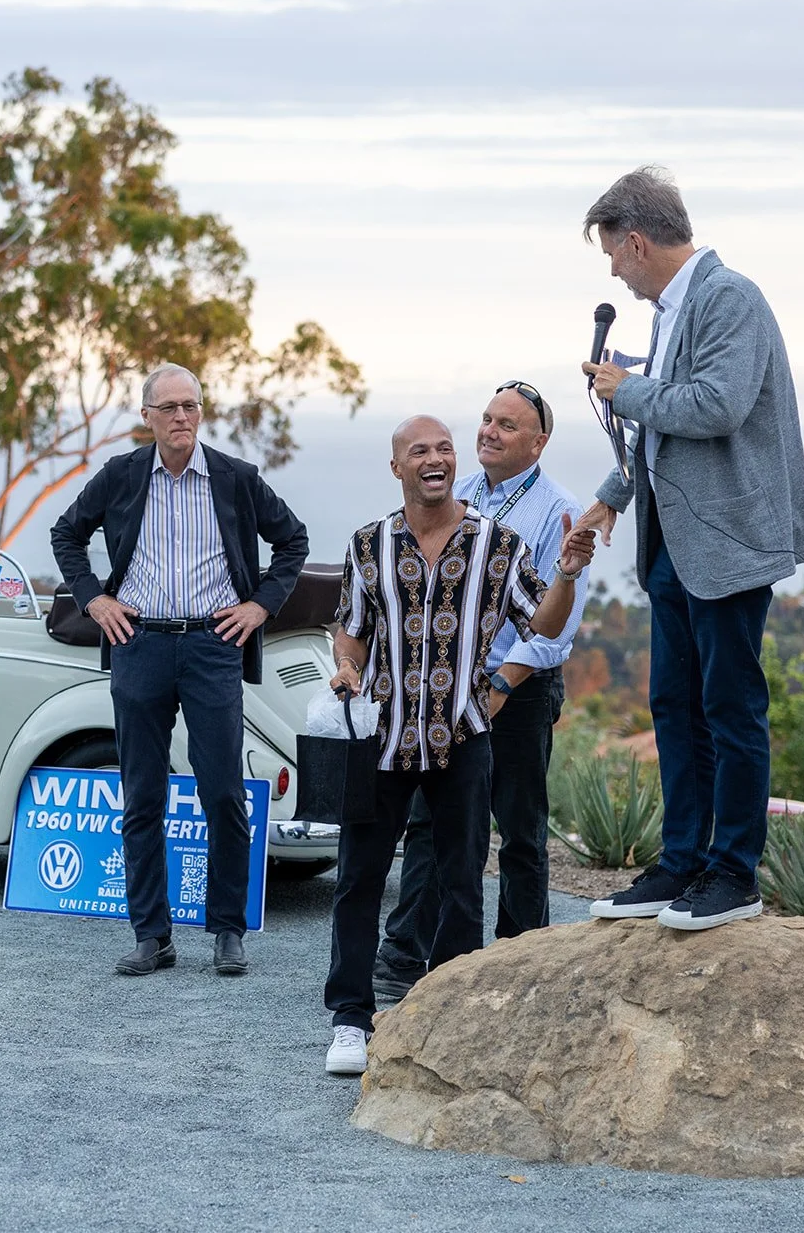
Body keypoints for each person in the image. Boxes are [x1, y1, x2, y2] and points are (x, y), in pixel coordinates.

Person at [576, 166, 804, 932]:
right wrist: (612, 497)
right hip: (672, 542)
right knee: (674, 704)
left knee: (730, 706)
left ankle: (734, 873)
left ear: (639, 241)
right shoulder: (676, 310)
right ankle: (681, 861)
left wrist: (625, 388)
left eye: (613, 253)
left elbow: (715, 406)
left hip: (726, 543)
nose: (613, 267)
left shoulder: (730, 299)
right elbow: (660, 431)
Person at [323, 415, 596, 1076]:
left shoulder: (497, 545)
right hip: (383, 739)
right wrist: (349, 668)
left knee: (460, 882)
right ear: (399, 469)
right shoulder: (370, 545)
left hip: (465, 733)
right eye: (420, 451)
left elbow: (547, 622)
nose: (436, 458)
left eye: (444, 448)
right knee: (359, 881)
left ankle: (449, 1016)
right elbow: (351, 628)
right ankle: (351, 1021)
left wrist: (565, 573)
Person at [50, 362, 309, 977]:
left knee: (222, 791)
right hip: (138, 645)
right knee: (142, 792)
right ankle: (151, 935)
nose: (182, 417)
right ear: (147, 418)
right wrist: (94, 598)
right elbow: (67, 534)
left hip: (211, 646)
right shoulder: (120, 476)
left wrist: (259, 606)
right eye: (168, 408)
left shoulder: (235, 478)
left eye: (190, 405)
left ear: (201, 410)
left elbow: (292, 540)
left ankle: (227, 931)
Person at [373, 382, 586, 1000]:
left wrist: (501, 683)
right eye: (487, 420)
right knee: (429, 824)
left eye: (508, 426)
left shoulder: (556, 511)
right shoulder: (456, 494)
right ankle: (408, 954)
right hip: (444, 688)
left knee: (519, 832)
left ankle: (522, 960)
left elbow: (553, 625)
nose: (490, 431)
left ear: (539, 443)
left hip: (518, 690)